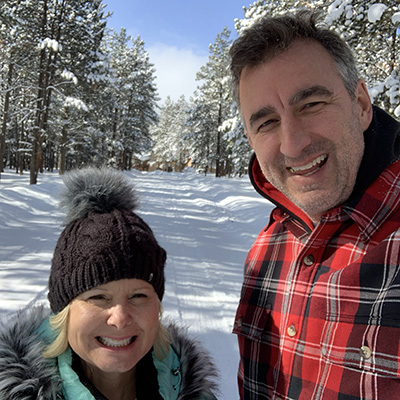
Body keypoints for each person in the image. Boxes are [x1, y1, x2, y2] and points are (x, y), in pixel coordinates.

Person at [229, 9, 400, 400]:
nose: (293, 144)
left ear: (359, 104)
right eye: (266, 122)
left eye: (311, 105)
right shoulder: (268, 246)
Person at [0, 167, 219, 400]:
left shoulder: (190, 389)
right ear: (64, 311)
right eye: (98, 297)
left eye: (138, 296)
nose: (120, 318)